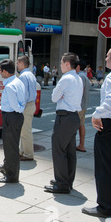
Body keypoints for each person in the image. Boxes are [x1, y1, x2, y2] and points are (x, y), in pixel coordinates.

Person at [82, 45, 111, 218]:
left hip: (109, 125)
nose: (105, 59)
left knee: (105, 167)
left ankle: (104, 206)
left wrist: (97, 114)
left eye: (107, 56)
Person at [44, 53, 83, 194]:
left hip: (64, 117)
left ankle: (61, 183)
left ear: (67, 64)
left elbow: (54, 97)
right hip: (73, 117)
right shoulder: (78, 78)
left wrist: (60, 95)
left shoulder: (66, 79)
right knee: (70, 151)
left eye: (61, 63)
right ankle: (67, 181)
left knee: (59, 150)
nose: (60, 65)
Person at [0, 59, 26, 183]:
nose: (0, 73)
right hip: (16, 116)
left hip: (11, 116)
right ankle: (10, 171)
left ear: (5, 71)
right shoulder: (18, 81)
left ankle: (11, 175)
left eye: (0, 71)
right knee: (12, 146)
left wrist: (18, 110)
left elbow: (15, 106)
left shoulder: (9, 86)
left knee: (10, 148)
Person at [17, 55, 37, 161]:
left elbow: (23, 94)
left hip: (26, 106)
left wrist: (20, 107)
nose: (17, 65)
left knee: (25, 132)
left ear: (21, 63)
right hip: (31, 104)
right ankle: (22, 151)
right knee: (25, 131)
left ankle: (28, 154)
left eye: (17, 63)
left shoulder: (23, 76)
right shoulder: (30, 74)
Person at [76, 59, 90, 153]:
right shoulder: (84, 76)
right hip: (84, 105)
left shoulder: (80, 76)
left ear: (78, 66)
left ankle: (78, 145)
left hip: (79, 105)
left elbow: (80, 91)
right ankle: (81, 145)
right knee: (81, 125)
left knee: (73, 126)